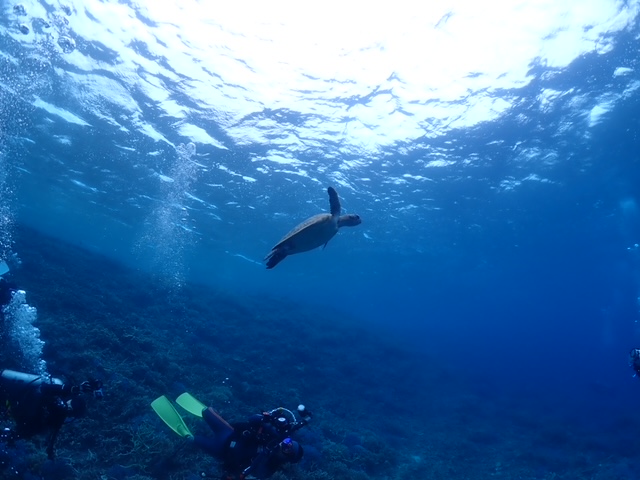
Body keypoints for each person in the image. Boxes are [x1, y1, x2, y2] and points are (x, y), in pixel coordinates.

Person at [152, 393, 310, 479]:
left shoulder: (267, 466)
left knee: (191, 438)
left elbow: (248, 473)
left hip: (221, 450)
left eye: (288, 448)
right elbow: (252, 420)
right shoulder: (274, 438)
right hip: (228, 432)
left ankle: (182, 429)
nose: (285, 444)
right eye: (289, 442)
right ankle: (193, 406)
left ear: (286, 457)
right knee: (206, 411)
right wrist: (265, 419)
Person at [0, 369, 103, 459]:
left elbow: (32, 430)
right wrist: (74, 389)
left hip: (11, 404)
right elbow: (45, 389)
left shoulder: (56, 418)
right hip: (12, 395)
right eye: (71, 407)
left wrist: (13, 436)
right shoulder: (56, 398)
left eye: (71, 412)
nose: (68, 409)